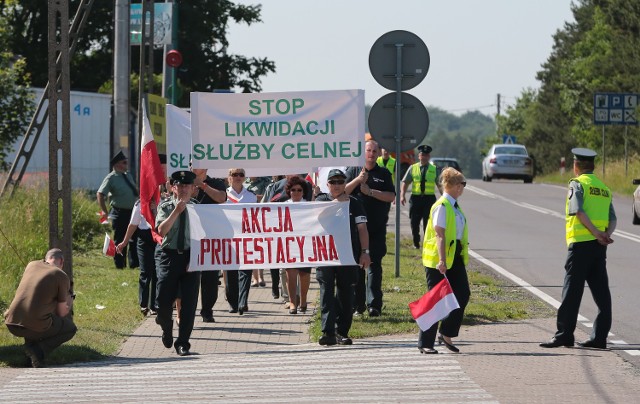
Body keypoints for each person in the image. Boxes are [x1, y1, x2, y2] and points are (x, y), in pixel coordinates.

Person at [540, 148, 616, 350]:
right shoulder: (604, 188)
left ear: (576, 166)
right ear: (593, 166)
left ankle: (564, 335)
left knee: (571, 292)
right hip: (599, 248)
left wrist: (595, 233)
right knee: (602, 294)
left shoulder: (577, 184)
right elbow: (613, 219)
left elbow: (578, 211)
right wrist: (605, 234)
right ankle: (599, 338)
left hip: (581, 245)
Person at [315, 169, 371, 346]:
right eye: (334, 182)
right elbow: (317, 218)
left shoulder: (355, 203)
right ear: (328, 185)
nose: (337, 185)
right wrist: (337, 201)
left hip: (348, 255)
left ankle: (342, 331)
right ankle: (328, 332)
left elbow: (362, 229)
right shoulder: (320, 200)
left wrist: (365, 252)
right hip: (325, 255)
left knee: (346, 294)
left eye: (341, 182)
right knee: (326, 293)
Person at [418, 167, 470, 354]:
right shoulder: (442, 206)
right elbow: (439, 235)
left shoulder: (454, 206)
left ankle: (446, 333)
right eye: (462, 184)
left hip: (454, 257)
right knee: (436, 301)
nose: (463, 187)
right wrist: (441, 260)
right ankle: (425, 343)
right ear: (455, 186)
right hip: (438, 260)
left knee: (462, 294)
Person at [345, 140, 395, 317]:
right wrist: (358, 181)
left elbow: (391, 196)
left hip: (377, 229)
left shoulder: (384, 173)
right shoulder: (353, 170)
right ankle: (358, 306)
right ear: (363, 152)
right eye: (368, 150)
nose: (371, 153)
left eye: (375, 151)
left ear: (379, 153)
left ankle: (374, 305)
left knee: (374, 266)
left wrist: (371, 192)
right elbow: (342, 192)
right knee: (357, 267)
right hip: (356, 230)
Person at [4, 249, 77, 368]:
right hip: (33, 325)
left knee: (38, 315)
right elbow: (61, 312)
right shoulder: (60, 275)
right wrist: (70, 299)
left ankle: (30, 358)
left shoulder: (31, 265)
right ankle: (38, 351)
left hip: (11, 322)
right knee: (70, 328)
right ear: (62, 261)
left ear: (46, 258)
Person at [155, 170, 201, 356]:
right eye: (179, 186)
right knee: (163, 303)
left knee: (189, 304)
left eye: (186, 186)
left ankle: (183, 343)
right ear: (173, 188)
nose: (183, 189)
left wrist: (197, 259)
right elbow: (162, 230)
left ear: (193, 189)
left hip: (191, 257)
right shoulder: (166, 206)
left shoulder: (199, 208)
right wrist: (177, 211)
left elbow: (205, 237)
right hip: (169, 256)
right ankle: (166, 328)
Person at [192, 167, 227, 323]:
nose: (192, 166)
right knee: (190, 277)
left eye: (196, 164)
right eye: (190, 163)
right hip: (190, 237)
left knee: (210, 278)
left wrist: (202, 186)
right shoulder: (184, 181)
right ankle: (187, 310)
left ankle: (207, 310)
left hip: (211, 238)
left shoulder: (216, 183)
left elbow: (221, 198)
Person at [97, 150, 139, 269]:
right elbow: (100, 194)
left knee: (134, 239)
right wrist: (104, 210)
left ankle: (134, 264)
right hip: (119, 212)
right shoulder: (111, 178)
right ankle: (120, 264)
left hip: (132, 212)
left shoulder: (127, 175)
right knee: (120, 238)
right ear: (117, 164)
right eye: (124, 162)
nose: (126, 165)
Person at [116, 199, 158, 316]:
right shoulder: (140, 203)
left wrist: (155, 210)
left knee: (157, 272)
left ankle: (154, 305)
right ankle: (143, 304)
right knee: (145, 270)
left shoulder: (162, 200)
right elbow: (133, 224)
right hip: (144, 238)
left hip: (158, 236)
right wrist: (124, 242)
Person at [224, 168, 256, 315]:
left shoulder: (251, 196)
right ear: (229, 177)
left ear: (244, 177)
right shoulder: (223, 195)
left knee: (246, 270)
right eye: (234, 174)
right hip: (228, 238)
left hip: (246, 238)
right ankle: (233, 302)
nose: (237, 177)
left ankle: (243, 301)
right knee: (230, 271)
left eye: (241, 174)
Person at [283, 176, 314, 314]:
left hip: (305, 243)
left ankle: (303, 299)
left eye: (299, 190)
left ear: (303, 191)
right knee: (290, 273)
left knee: (304, 274)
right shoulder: (282, 205)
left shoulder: (309, 205)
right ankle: (292, 302)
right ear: (289, 191)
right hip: (288, 244)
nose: (296, 192)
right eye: (293, 190)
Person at [400, 145, 439, 249]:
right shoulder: (413, 168)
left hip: (429, 199)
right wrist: (402, 195)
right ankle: (416, 243)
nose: (424, 157)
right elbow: (405, 182)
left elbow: (440, 185)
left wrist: (445, 197)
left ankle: (427, 243)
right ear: (419, 156)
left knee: (428, 223)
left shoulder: (434, 169)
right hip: (416, 199)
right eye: (422, 155)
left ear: (429, 156)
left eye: (426, 155)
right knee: (414, 222)